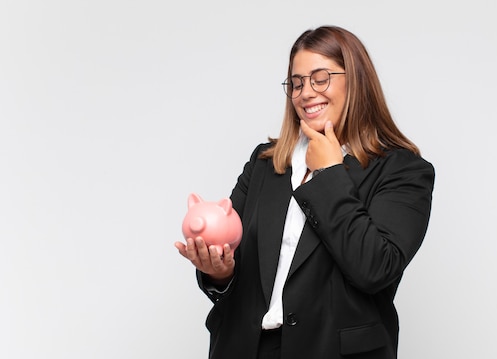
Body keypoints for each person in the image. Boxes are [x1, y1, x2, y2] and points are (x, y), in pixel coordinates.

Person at [175, 25, 435, 359]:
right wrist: (218, 270)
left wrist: (329, 173)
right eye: (296, 83)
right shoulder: (265, 164)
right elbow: (235, 259)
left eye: (320, 78)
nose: (305, 92)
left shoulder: (403, 170)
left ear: (355, 80)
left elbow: (375, 269)